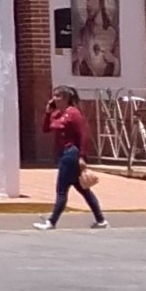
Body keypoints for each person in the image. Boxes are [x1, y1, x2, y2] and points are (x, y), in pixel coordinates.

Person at [41, 86, 105, 228]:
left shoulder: (74, 114)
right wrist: (47, 113)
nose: (54, 99)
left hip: (71, 154)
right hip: (62, 153)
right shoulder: (56, 114)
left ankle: (52, 221)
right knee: (83, 189)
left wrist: (82, 156)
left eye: (58, 96)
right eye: (54, 96)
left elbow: (83, 135)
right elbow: (45, 129)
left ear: (66, 98)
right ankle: (101, 220)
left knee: (62, 189)